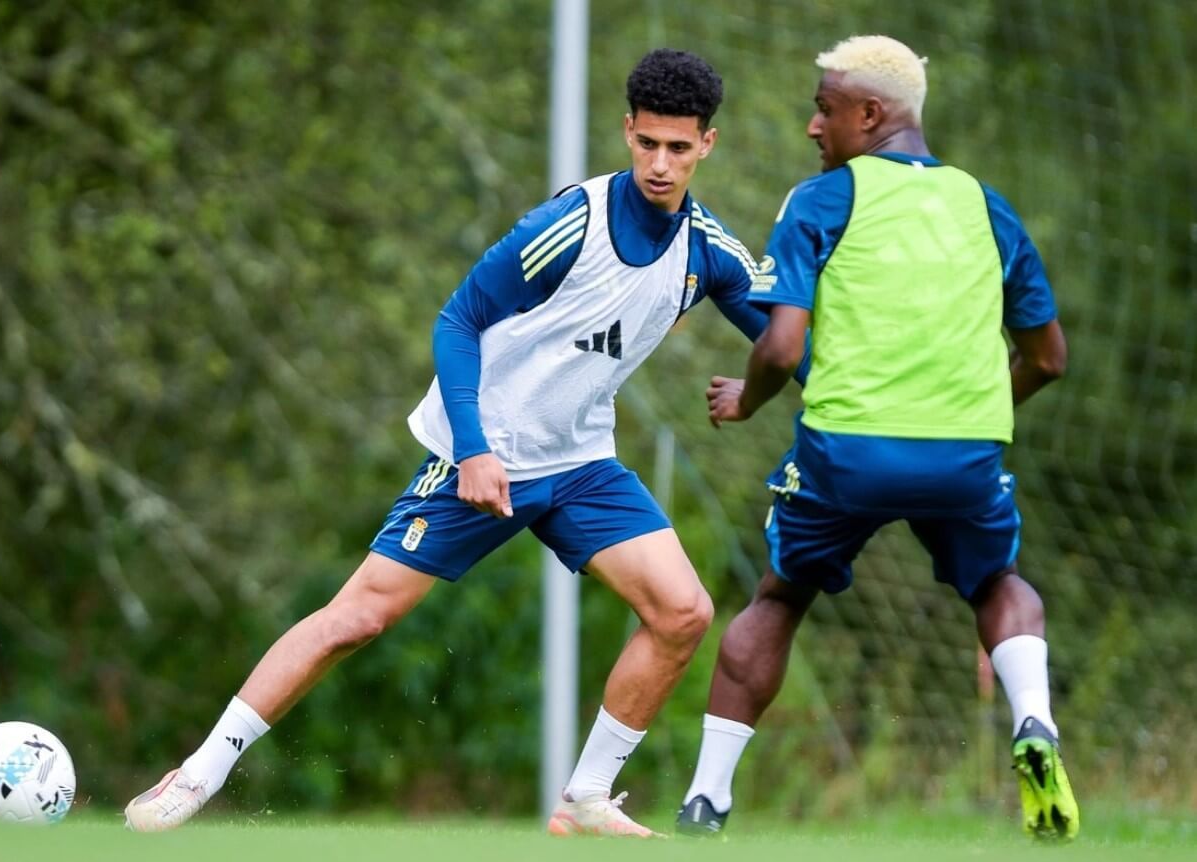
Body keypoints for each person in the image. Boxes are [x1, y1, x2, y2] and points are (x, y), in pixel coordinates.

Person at [124, 48, 780, 838]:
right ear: (626, 132)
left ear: (707, 144)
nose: (660, 164)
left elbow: (786, 342)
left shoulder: (706, 249)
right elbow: (457, 320)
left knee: (681, 612)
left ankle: (585, 799)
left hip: (579, 463)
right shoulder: (569, 224)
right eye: (647, 144)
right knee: (356, 620)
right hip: (485, 449)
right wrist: (473, 448)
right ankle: (193, 779)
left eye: (679, 148)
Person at [673, 35, 1079, 841]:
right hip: (962, 452)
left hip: (846, 452)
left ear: (869, 114)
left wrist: (746, 403)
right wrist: (973, 410)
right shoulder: (986, 206)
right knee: (998, 581)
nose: (812, 128)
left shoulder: (821, 201)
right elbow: (1049, 357)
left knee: (781, 596)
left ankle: (706, 800)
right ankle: (1033, 721)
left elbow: (781, 345)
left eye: (824, 110)